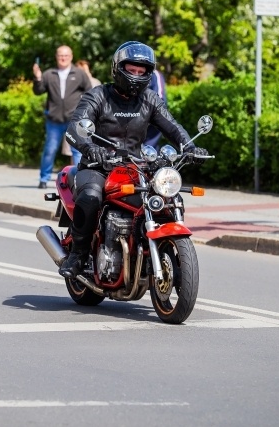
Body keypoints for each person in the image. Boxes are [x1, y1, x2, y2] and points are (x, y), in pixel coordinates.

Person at [58, 41, 208, 278]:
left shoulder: (149, 99)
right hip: (98, 166)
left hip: (135, 167)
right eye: (131, 70)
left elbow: (172, 127)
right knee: (90, 197)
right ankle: (78, 254)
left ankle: (148, 248)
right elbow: (74, 128)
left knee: (169, 197)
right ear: (118, 68)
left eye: (141, 71)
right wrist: (90, 147)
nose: (136, 76)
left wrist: (190, 147)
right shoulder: (98, 96)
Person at [33, 46, 94, 189]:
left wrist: (85, 112)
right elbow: (38, 91)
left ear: (71, 57)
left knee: (78, 150)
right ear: (56, 56)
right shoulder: (49, 74)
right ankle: (44, 179)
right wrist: (37, 78)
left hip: (74, 120)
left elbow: (90, 92)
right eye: (60, 55)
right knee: (50, 150)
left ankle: (79, 179)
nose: (63, 58)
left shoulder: (79, 73)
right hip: (54, 120)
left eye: (66, 55)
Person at [61, 60, 101, 164]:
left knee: (86, 146)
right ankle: (74, 169)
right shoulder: (73, 80)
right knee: (73, 145)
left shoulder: (95, 82)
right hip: (74, 116)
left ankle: (79, 168)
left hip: (90, 120)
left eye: (84, 69)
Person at [143, 68, 167, 147]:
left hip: (152, 119)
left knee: (149, 149)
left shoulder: (155, 75)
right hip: (135, 119)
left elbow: (160, 99)